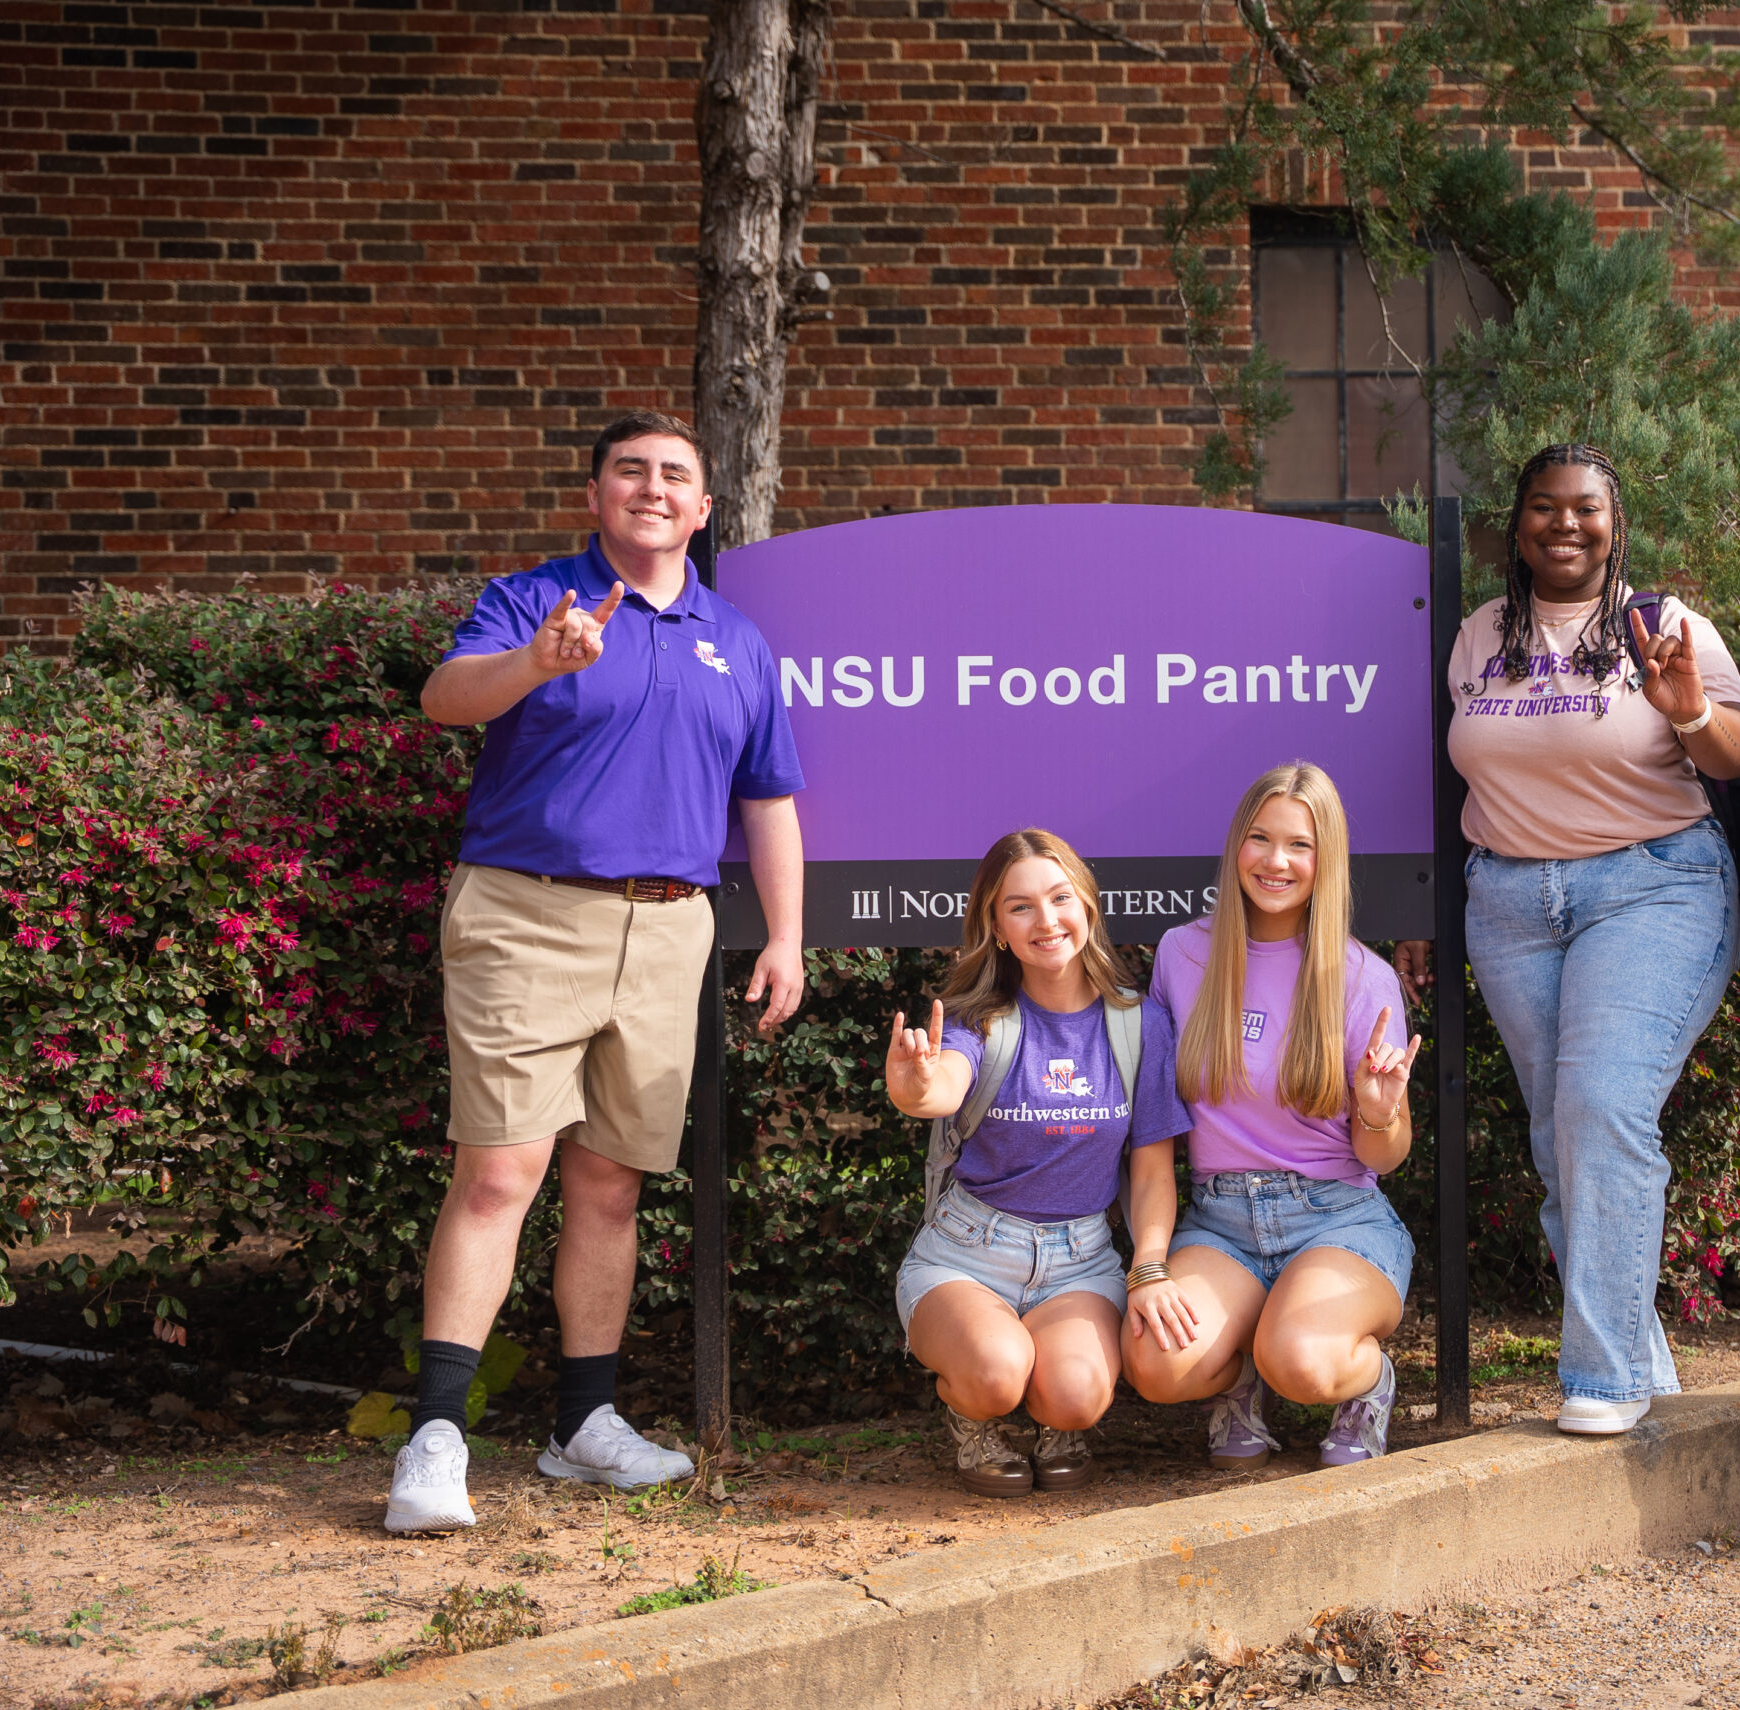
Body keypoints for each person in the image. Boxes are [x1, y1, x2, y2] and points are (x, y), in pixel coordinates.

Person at [385, 410, 808, 1534]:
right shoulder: (538, 600)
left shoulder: (738, 639)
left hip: (671, 931)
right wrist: (538, 661)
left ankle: (585, 1428)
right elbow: (443, 698)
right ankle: (436, 1438)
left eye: (676, 476)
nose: (654, 488)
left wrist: (782, 935)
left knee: (610, 1185)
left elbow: (767, 801)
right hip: (529, 915)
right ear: (595, 495)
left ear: (705, 508)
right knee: (500, 1171)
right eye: (631, 471)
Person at [1398, 444, 1740, 1436]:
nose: (1565, 525)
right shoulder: (1480, 634)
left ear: (1615, 523)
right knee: (1562, 1139)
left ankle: (1603, 1379)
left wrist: (1687, 707)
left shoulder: (1667, 625)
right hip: (1511, 901)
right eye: (1544, 509)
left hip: (1649, 888)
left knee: (1601, 1106)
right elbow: (1461, 776)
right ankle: (1639, 1349)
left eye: (1586, 510)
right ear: (1515, 527)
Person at [1123, 762, 1422, 1468]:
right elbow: (1157, 1129)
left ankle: (1368, 1381)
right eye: (1260, 839)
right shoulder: (1182, 954)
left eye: (1300, 845)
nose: (1276, 861)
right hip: (1221, 1220)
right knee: (1156, 1364)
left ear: (1328, 860)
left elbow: (1382, 1158)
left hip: (1337, 1218)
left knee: (1306, 1362)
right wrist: (1152, 1264)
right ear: (1236, 847)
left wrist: (1379, 1114)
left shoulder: (1362, 978)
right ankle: (1243, 1375)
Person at [881, 830, 1192, 1497]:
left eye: (1059, 898)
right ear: (995, 927)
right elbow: (939, 1087)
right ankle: (973, 1418)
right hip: (967, 1254)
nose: (1045, 920)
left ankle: (1058, 1422)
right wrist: (913, 1084)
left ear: (1087, 906)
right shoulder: (977, 1020)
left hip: (1080, 1260)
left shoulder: (1142, 1025)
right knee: (996, 1374)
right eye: (1019, 907)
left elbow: (1153, 1172)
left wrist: (1151, 1266)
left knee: (1076, 1396)